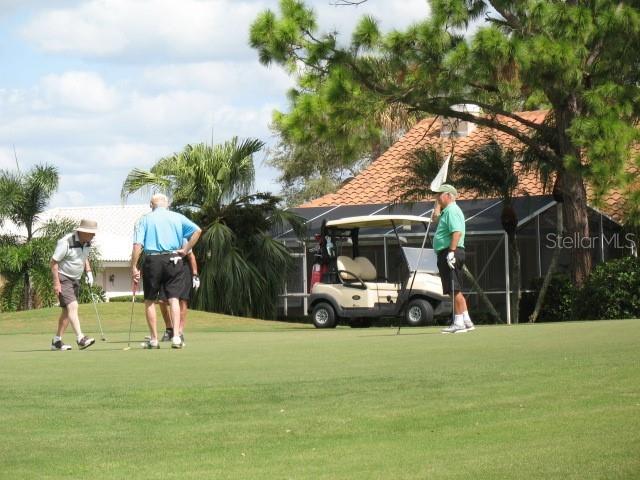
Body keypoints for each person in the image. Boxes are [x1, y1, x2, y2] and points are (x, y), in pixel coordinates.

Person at [131, 194, 201, 349]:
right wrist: (186, 249)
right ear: (167, 204)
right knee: (174, 299)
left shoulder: (144, 219)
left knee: (150, 300)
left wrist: (134, 266)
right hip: (174, 259)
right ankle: (176, 337)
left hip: (153, 260)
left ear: (151, 205)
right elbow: (198, 231)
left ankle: (154, 340)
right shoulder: (177, 217)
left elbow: (137, 246)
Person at [431, 184, 475, 333]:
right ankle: (467, 321)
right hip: (450, 252)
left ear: (448, 196)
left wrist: (451, 252)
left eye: (440, 195)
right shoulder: (447, 211)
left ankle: (458, 323)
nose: (437, 198)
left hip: (451, 252)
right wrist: (437, 203)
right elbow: (435, 218)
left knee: (454, 288)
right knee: (454, 289)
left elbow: (456, 232)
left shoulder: (452, 210)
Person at [50, 219, 98, 351]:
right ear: (82, 232)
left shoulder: (87, 242)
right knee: (73, 306)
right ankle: (80, 338)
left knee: (67, 312)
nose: (94, 235)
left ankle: (57, 341)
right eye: (91, 233)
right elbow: (53, 262)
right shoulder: (66, 242)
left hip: (76, 279)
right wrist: (56, 283)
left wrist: (89, 272)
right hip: (63, 277)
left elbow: (84, 257)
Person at [159, 249, 199, 344]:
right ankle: (169, 329)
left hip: (183, 269)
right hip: (166, 268)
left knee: (182, 300)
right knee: (162, 301)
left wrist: (195, 274)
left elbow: (191, 256)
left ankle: (180, 331)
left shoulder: (183, 241)